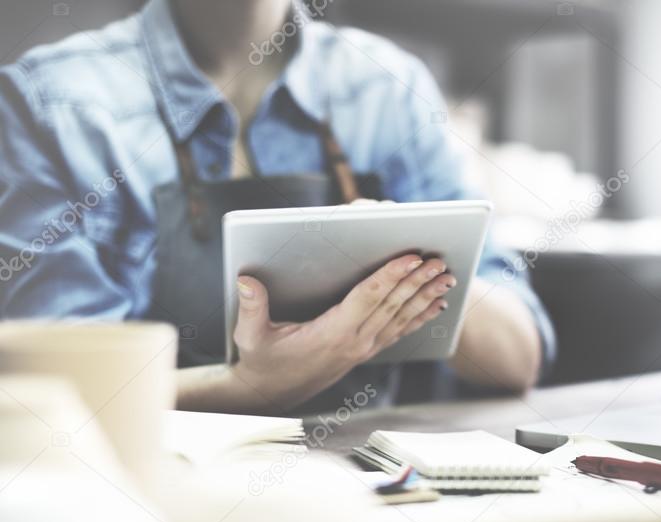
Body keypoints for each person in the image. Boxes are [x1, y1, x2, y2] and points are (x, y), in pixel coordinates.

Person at [0, 0, 555, 413]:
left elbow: (515, 359)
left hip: (367, 495)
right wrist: (253, 388)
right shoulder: (51, 104)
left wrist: (410, 261)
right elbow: (50, 395)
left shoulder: (389, 87)